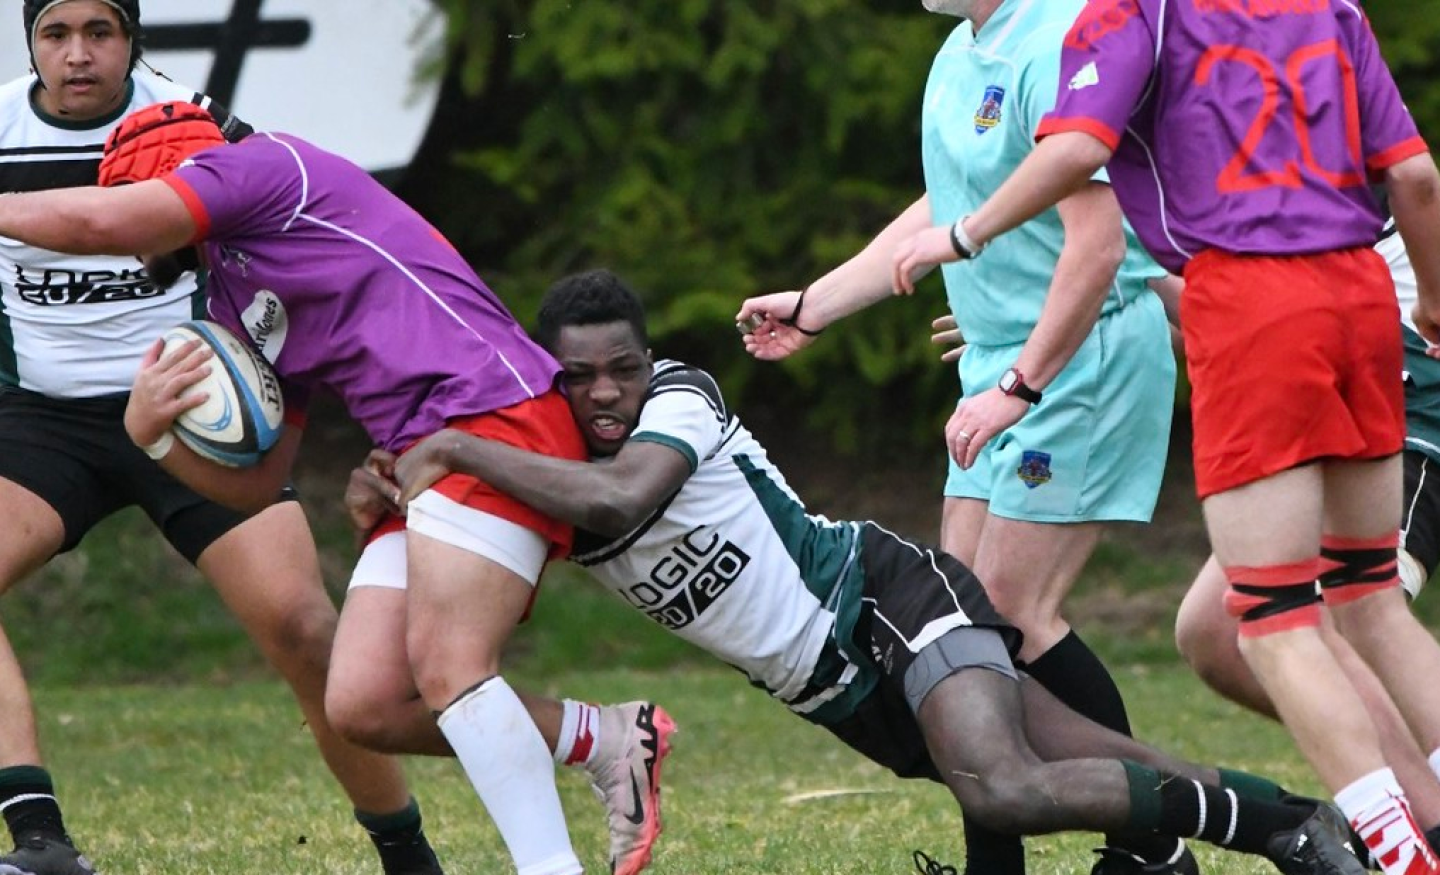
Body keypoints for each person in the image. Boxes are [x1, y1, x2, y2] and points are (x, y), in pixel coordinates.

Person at [345, 268, 1369, 875]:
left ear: (649, 357)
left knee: (1007, 785)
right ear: (545, 374)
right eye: (579, 376)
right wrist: (392, 503)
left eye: (623, 364)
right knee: (1084, 760)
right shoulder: (543, 469)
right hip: (837, 688)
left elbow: (620, 502)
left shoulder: (680, 400)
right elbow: (465, 565)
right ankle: (1294, 824)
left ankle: (1288, 838)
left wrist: (461, 452)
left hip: (884, 595)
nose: (606, 391)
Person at [0, 101, 675, 875]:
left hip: (493, 411)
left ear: (166, 182)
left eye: (143, 222)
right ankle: (607, 737)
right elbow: (256, 485)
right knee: (362, 702)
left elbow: (103, 224)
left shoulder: (264, 167)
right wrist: (148, 432)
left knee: (450, 665)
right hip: (417, 459)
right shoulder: (231, 294)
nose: (145, 261)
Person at [885, 3, 1440, 873]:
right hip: (1366, 299)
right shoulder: (1328, 7)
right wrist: (1434, 303)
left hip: (1253, 302)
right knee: (1365, 592)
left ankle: (1401, 850)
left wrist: (962, 236)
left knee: (1269, 614)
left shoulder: (1130, 14)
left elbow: (1073, 152)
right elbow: (1415, 179)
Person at [736, 1, 1178, 871]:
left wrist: (1023, 382)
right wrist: (816, 304)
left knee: (1014, 615)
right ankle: (999, 865)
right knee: (959, 624)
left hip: (1074, 360)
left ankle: (1152, 849)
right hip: (999, 362)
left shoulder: (1059, 39)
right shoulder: (959, 49)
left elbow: (1097, 247)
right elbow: (950, 205)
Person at [0, 3, 440, 873]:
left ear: (133, 39)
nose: (79, 54)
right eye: (56, 34)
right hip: (42, 419)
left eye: (102, 31)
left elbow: (292, 238)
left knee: (305, 627)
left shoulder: (190, 124)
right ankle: (39, 838)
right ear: (29, 43)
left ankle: (407, 854)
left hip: (190, 405)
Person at [1172, 221, 1440, 861]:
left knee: (1342, 610)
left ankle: (1422, 835)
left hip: (1404, 383)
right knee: (1216, 630)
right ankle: (1415, 823)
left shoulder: (1168, 127)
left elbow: (1414, 180)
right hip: (1321, 360)